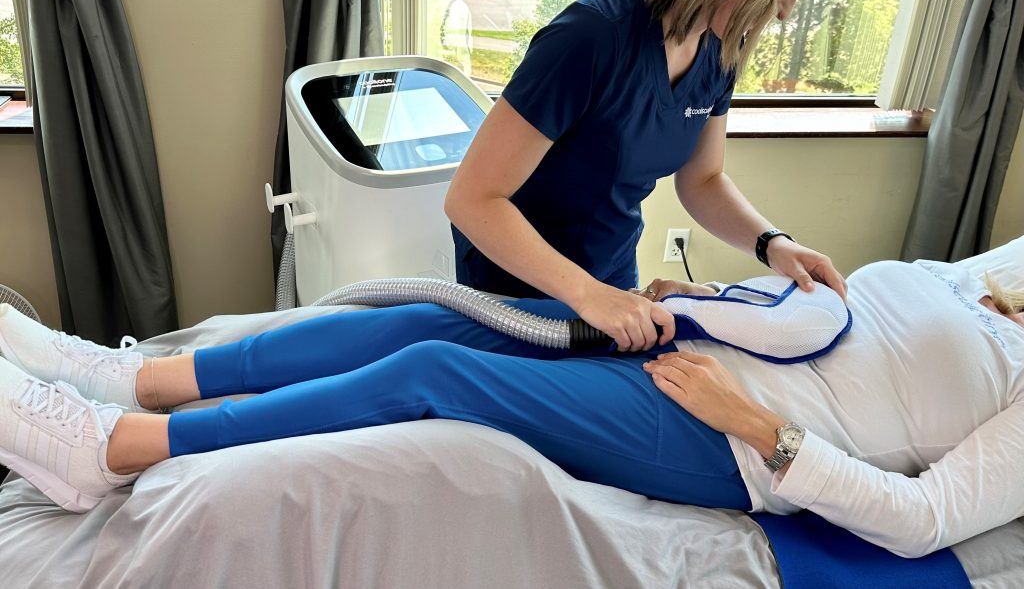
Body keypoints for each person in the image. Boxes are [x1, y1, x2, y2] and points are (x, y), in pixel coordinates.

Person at [0, 253, 1022, 559]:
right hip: (683, 344)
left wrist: (758, 425)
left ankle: (116, 445)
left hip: (724, 436)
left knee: (438, 378)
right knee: (417, 322)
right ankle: (122, 375)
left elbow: (925, 517)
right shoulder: (978, 281)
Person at [445, 0, 849, 355]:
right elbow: (472, 200)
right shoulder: (594, 35)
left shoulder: (719, 50)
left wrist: (774, 245)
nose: (788, 9)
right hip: (517, 295)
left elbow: (702, 179)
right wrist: (587, 296)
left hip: (611, 282)